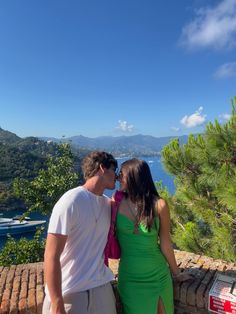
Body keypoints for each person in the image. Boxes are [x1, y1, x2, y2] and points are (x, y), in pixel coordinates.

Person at [43, 151, 118, 314]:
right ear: (102, 168)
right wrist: (56, 302)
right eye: (114, 169)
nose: (117, 175)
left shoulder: (107, 205)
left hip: (101, 289)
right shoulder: (71, 201)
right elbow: (51, 255)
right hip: (70, 293)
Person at [115, 158, 193, 314]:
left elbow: (166, 244)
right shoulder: (115, 203)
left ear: (133, 177)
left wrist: (176, 273)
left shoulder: (159, 205)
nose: (118, 178)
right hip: (129, 279)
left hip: (158, 276)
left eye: (121, 175)